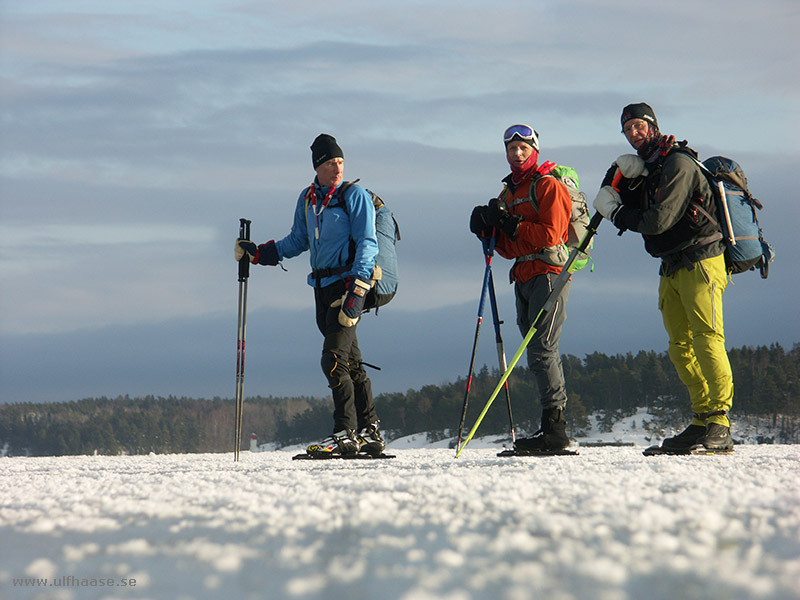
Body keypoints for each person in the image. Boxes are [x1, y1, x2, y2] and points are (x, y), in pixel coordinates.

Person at [593, 102, 734, 453]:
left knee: (707, 339)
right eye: (627, 130)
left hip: (702, 259)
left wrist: (617, 213)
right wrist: (620, 183)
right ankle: (702, 418)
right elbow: (643, 210)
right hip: (671, 264)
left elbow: (658, 220)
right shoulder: (653, 168)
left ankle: (720, 422)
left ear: (653, 126)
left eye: (639, 126)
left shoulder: (678, 164)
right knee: (679, 347)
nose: (633, 134)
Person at [235, 134, 386, 458]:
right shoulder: (308, 199)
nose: (337, 168)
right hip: (320, 288)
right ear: (318, 165)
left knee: (332, 360)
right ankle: (370, 430)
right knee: (351, 364)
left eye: (341, 162)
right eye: (331, 162)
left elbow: (367, 243)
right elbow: (297, 241)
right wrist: (259, 254)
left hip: (347, 286)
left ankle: (345, 433)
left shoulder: (354, 195)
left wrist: (358, 290)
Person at [470, 124, 573, 452]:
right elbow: (508, 249)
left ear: (534, 149)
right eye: (511, 149)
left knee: (543, 348)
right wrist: (490, 231)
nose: (517, 154)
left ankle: (556, 429)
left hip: (549, 273)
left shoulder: (548, 185)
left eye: (523, 148)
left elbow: (551, 234)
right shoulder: (508, 193)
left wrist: (513, 225)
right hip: (523, 275)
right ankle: (549, 427)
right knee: (535, 352)